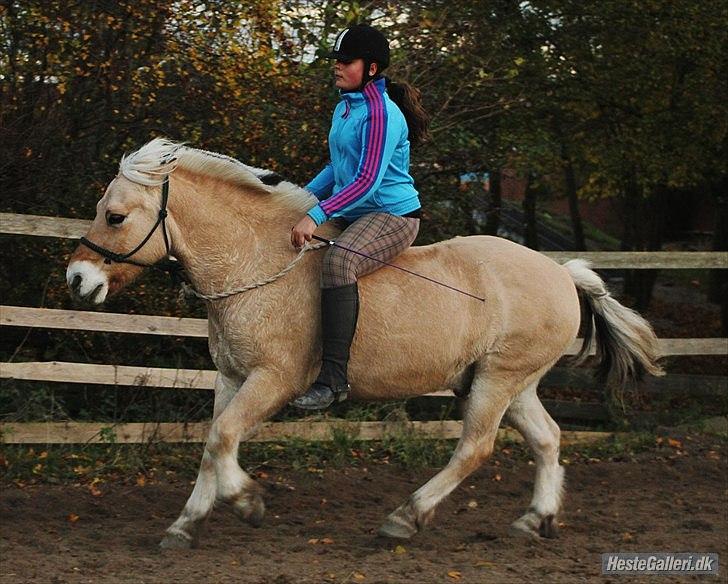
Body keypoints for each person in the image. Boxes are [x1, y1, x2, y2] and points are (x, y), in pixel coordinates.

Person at [290, 23, 430, 410]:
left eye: (345, 61)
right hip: (355, 210)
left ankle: (333, 380)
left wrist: (316, 214)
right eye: (335, 60)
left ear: (370, 68)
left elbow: (367, 181)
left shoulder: (383, 114)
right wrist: (295, 199)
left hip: (391, 216)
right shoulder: (345, 106)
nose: (336, 67)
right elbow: (338, 168)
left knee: (338, 263)